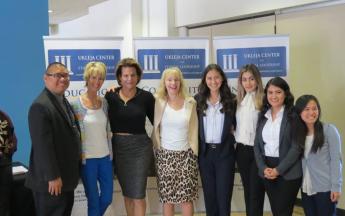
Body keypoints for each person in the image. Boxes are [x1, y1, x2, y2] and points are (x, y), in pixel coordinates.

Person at [26, 62, 81, 216]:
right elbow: (42, 146)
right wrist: (53, 176)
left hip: (65, 178)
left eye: (65, 75)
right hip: (51, 182)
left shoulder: (62, 100)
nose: (63, 79)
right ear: (46, 78)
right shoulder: (40, 106)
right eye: (57, 75)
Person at [104, 58, 154, 216]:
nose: (129, 79)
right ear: (119, 77)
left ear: (138, 76)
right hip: (119, 147)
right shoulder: (110, 96)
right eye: (125, 75)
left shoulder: (146, 97)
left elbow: (157, 122)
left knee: (138, 194)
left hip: (140, 148)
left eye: (133, 75)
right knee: (127, 193)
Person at [152, 67, 198, 216]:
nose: (173, 83)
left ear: (180, 82)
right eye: (170, 80)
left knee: (186, 199)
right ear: (164, 82)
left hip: (187, 156)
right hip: (165, 157)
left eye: (176, 79)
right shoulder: (157, 102)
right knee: (168, 200)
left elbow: (195, 128)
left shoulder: (190, 102)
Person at [253, 77, 302, 216]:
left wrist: (278, 170)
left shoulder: (294, 115)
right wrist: (263, 168)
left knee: (283, 211)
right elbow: (257, 145)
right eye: (270, 92)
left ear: (285, 94)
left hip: (288, 170)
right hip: (267, 169)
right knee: (276, 210)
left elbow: (296, 147)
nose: (273, 96)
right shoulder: (263, 115)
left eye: (278, 92)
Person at [71, 62, 113, 216]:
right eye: (94, 77)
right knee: (93, 201)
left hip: (105, 158)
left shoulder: (105, 103)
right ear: (87, 78)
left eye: (101, 78)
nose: (97, 81)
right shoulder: (75, 104)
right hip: (87, 160)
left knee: (107, 198)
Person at [195, 64, 236, 216]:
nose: (213, 81)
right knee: (210, 196)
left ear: (222, 79)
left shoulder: (231, 100)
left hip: (224, 153)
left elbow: (237, 125)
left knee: (224, 196)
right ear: (205, 80)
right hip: (205, 153)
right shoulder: (197, 101)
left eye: (216, 77)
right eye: (209, 78)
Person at [294, 95, 342, 216]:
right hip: (306, 187)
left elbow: (336, 161)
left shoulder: (329, 130)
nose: (311, 112)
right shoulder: (299, 134)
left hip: (325, 189)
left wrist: (336, 187)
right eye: (307, 109)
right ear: (299, 112)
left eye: (314, 108)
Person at [234, 64, 265, 216]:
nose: (248, 83)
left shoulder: (264, 101)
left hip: (257, 152)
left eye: (251, 79)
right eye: (244, 79)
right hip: (241, 151)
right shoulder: (239, 102)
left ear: (257, 80)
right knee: (248, 190)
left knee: (255, 192)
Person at [0, 109, 17, 216]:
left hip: (4, 165)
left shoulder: (3, 116)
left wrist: (6, 152)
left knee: (4, 204)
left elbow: (13, 139)